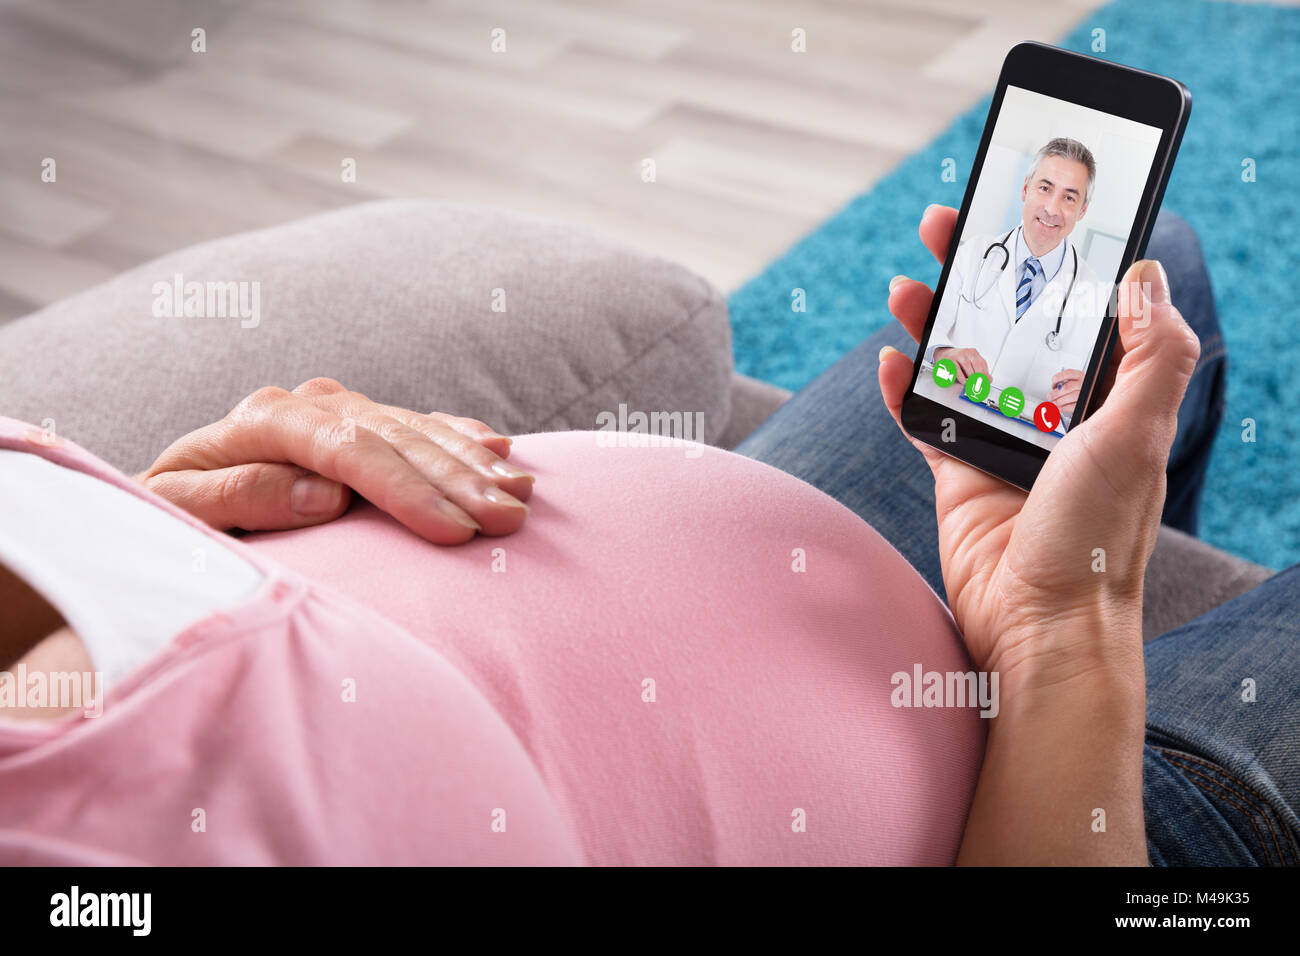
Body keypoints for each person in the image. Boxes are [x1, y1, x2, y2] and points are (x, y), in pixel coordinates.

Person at [0, 206, 1295, 866]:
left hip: (782, 584)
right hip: (1001, 801)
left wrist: (172, 522)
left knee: (1136, 260)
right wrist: (1071, 642)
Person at [926, 138, 1106, 420]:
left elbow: (1097, 392)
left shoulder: (1096, 296)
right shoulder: (973, 254)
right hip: (945, 415)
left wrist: (1089, 396)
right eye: (1045, 188)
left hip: (1026, 444)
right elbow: (928, 331)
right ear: (1025, 189)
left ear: (1082, 210)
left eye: (1069, 198)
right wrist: (942, 352)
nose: (1052, 208)